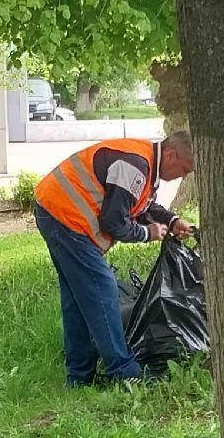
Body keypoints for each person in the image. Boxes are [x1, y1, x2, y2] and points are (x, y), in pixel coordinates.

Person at [31, 133, 195, 386]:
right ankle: (123, 371)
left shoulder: (144, 161)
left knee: (77, 299)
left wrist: (172, 221)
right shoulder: (135, 165)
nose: (183, 176)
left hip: (56, 210)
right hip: (66, 218)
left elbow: (140, 204)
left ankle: (79, 376)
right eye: (184, 169)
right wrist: (147, 233)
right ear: (171, 155)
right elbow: (114, 221)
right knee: (102, 291)